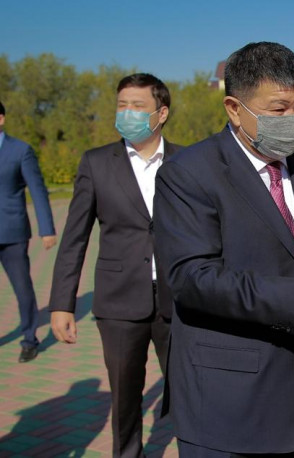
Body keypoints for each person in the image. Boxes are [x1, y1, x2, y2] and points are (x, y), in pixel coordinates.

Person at [153, 42, 294, 457]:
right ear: (234, 109)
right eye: (278, 109)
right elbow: (191, 279)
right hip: (228, 405)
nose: (292, 120)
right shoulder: (188, 174)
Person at [49, 73, 181, 457]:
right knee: (124, 397)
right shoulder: (96, 163)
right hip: (119, 302)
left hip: (179, 299)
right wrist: (62, 304)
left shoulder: (188, 160)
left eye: (137, 106)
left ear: (161, 113)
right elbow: (74, 238)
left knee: (190, 390)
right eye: (122, 105)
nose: (127, 113)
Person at [0, 101, 57, 363]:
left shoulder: (20, 150)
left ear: (1, 119)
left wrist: (47, 229)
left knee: (22, 288)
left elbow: (37, 190)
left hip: (12, 233)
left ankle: (29, 339)